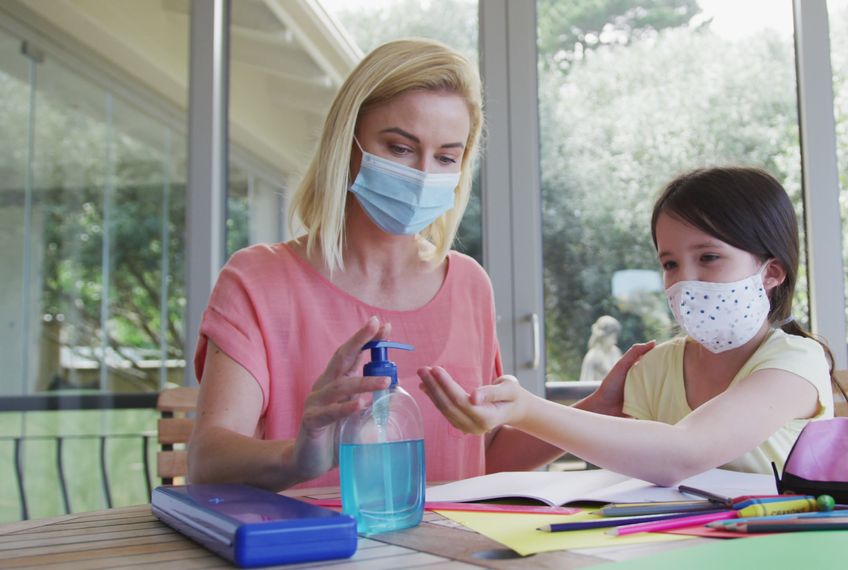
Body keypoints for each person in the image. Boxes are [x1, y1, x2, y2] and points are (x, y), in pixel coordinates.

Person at [187, 38, 647, 491]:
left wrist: (596, 408)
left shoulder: (469, 284)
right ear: (346, 144)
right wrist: (297, 456)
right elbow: (207, 461)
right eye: (400, 148)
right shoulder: (259, 280)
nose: (424, 174)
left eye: (446, 156)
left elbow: (481, 457)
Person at [419, 166, 848, 486]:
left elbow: (684, 453)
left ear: (772, 272)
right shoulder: (652, 369)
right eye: (670, 263)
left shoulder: (796, 362)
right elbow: (629, 485)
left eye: (709, 257)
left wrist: (526, 409)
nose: (685, 280)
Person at [578, 315, 623, 382]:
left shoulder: (616, 352)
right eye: (612, 337)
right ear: (603, 336)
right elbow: (585, 383)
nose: (614, 341)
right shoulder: (592, 356)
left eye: (615, 337)